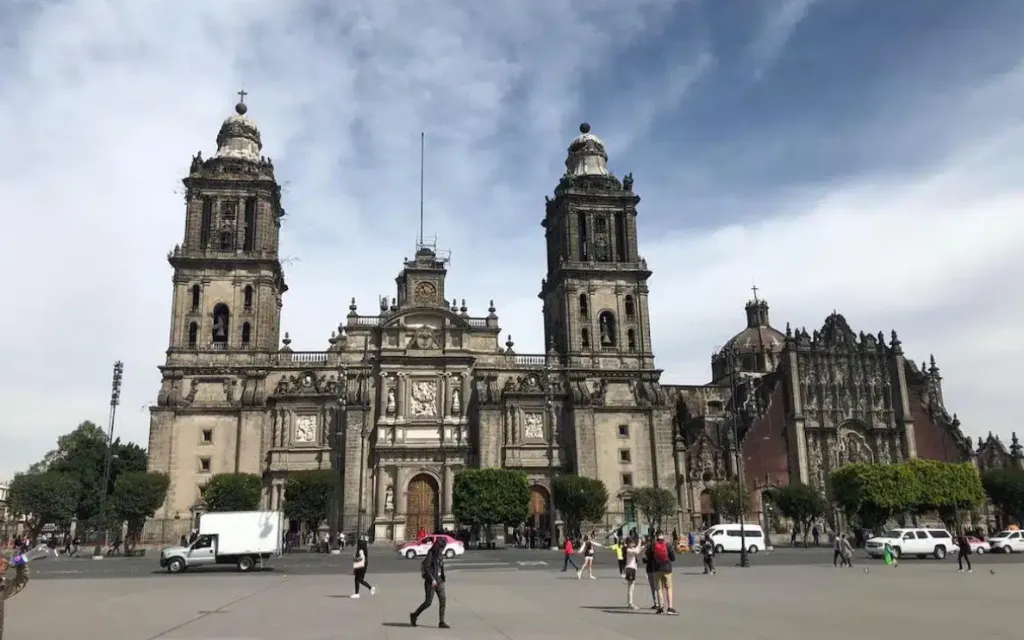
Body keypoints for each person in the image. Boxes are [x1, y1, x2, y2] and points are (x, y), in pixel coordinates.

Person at [410, 538, 449, 629]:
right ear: (437, 546)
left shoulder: (439, 554)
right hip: (430, 582)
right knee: (428, 602)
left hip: (439, 580)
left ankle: (441, 622)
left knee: (443, 600)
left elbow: (440, 566)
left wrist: (442, 577)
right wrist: (432, 579)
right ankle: (414, 615)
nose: (442, 549)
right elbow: (426, 567)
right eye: (441, 548)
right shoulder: (430, 553)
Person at [651, 532, 677, 615]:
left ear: (656, 538)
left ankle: (661, 608)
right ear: (664, 538)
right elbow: (673, 558)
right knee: (668, 588)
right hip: (667, 569)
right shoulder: (668, 545)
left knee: (659, 589)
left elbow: (649, 557)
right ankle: (670, 607)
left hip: (657, 569)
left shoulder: (653, 545)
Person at [624, 537, 643, 610]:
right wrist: (639, 543)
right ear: (628, 543)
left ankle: (630, 602)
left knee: (631, 587)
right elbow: (637, 552)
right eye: (632, 543)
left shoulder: (631, 549)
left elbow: (638, 551)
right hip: (630, 569)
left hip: (632, 569)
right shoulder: (628, 550)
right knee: (631, 587)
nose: (633, 544)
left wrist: (640, 546)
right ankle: (630, 603)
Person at [643, 536, 660, 610]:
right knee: (656, 587)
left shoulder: (649, 549)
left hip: (651, 569)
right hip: (656, 569)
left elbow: (646, 559)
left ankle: (657, 603)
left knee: (654, 587)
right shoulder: (656, 548)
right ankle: (658, 602)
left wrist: (645, 559)